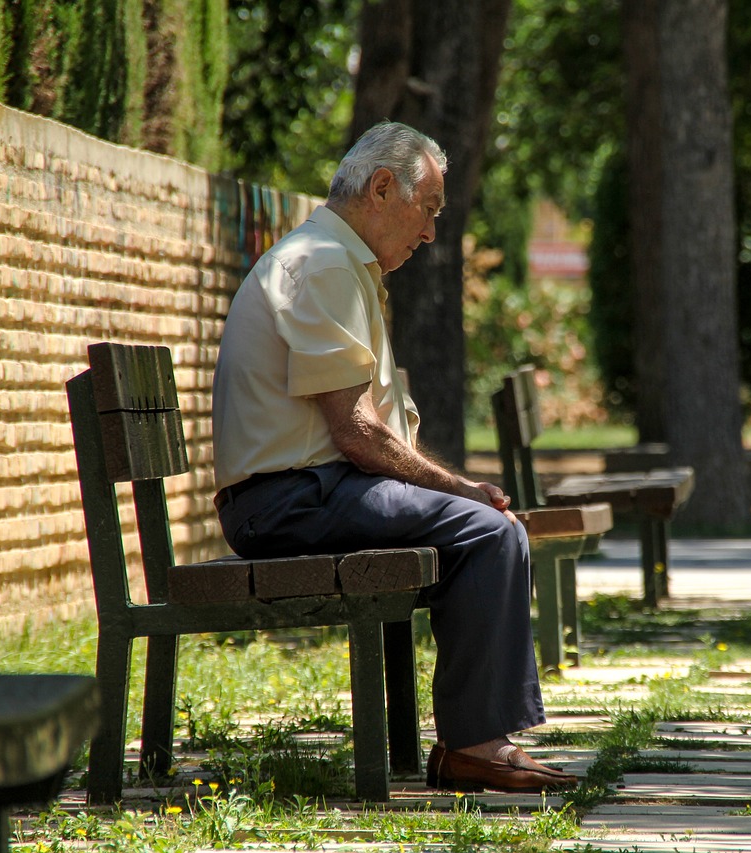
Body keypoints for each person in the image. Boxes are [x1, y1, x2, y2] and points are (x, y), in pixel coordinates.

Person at [210, 121, 575, 794]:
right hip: (289, 500)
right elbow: (357, 432)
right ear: (382, 188)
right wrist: (457, 486)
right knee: (489, 532)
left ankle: (475, 738)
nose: (431, 232)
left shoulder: (338, 261)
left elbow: (369, 431)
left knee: (488, 532)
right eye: (428, 209)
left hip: (307, 492)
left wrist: (450, 490)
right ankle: (475, 745)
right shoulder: (322, 263)